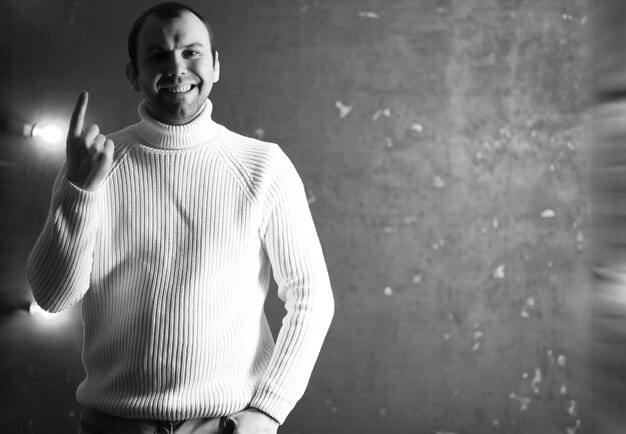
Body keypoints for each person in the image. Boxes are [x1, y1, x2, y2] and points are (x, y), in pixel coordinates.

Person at [26, 2, 334, 433]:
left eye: (191, 52)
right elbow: (51, 298)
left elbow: (312, 298)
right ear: (133, 74)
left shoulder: (263, 167)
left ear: (215, 66)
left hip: (225, 424)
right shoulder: (93, 166)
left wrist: (268, 411)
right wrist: (79, 191)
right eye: (157, 56)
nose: (176, 67)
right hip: (115, 425)